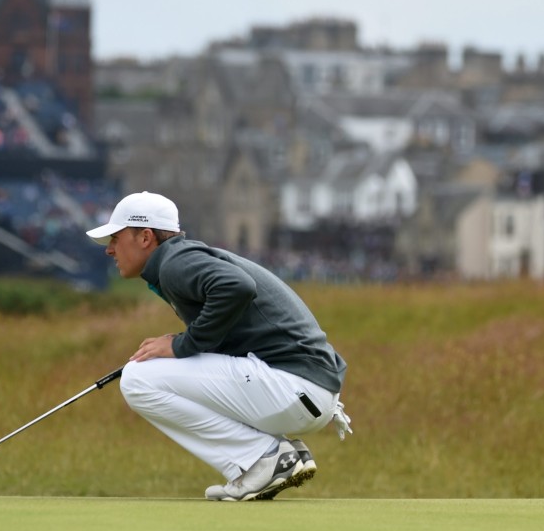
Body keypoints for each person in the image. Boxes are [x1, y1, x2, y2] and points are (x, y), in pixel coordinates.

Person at [87, 191, 351, 502]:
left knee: (137, 378)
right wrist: (182, 343)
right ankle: (270, 456)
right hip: (306, 393)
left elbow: (236, 287)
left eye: (115, 238)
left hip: (294, 388)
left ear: (145, 237)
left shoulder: (175, 263)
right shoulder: (183, 259)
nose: (110, 250)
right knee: (148, 371)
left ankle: (262, 459)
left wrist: (183, 345)